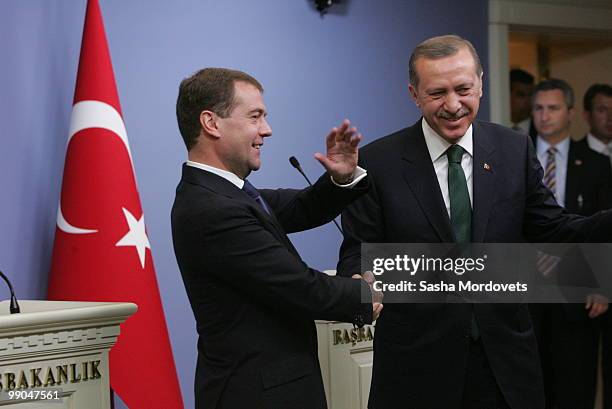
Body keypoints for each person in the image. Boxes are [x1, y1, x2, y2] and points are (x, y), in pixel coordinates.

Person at [337, 34, 612, 409]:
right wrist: (359, 284)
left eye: (464, 89)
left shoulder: (513, 150)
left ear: (481, 83)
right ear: (414, 94)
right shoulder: (378, 162)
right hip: (416, 368)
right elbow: (358, 252)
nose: (453, 105)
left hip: (504, 366)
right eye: (437, 93)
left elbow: (556, 229)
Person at [171, 67, 381, 409]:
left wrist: (341, 178)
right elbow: (299, 286)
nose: (266, 130)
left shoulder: (230, 193)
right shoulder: (212, 208)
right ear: (211, 123)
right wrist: (362, 295)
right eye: (255, 117)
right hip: (255, 393)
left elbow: (302, 207)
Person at [529, 78, 611, 409]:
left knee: (574, 382)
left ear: (571, 113)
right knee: (531, 382)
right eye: (538, 108)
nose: (544, 116)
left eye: (553, 108)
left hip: (578, 290)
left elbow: (604, 229)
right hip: (527, 284)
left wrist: (603, 284)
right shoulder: (513, 157)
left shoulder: (595, 163)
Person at [582, 83, 612, 409]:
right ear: (587, 115)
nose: (610, 117)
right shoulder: (579, 157)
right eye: (603, 110)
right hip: (588, 285)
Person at [510, 68, 537, 136]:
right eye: (521, 95)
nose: (528, 101)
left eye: (531, 95)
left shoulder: (541, 129)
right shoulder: (493, 125)